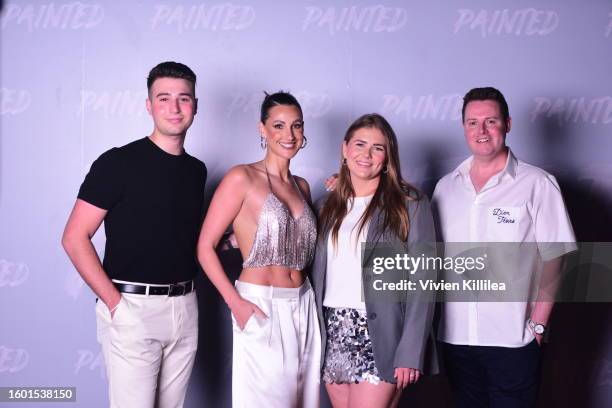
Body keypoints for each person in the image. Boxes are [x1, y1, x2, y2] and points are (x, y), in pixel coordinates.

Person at [62, 62, 206, 408]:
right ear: (148, 105)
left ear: (195, 106)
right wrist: (115, 303)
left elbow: (176, 233)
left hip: (185, 306)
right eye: (163, 98)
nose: (174, 108)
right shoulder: (118, 162)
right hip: (132, 306)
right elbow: (74, 237)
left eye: (183, 99)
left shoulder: (196, 170)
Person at [432, 87, 576, 407]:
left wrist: (537, 324)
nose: (481, 131)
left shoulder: (537, 183)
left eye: (491, 121)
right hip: (456, 339)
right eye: (473, 123)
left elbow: (557, 256)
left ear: (507, 124)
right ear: (464, 127)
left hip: (514, 340)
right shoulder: (445, 187)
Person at [197, 92, 320, 408]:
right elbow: (205, 246)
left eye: (296, 126)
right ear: (262, 130)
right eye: (278, 125)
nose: (288, 135)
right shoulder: (242, 177)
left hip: (304, 305)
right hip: (261, 305)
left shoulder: (302, 186)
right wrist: (234, 301)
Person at [311, 113, 437, 408]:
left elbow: (425, 281)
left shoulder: (410, 204)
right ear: (345, 149)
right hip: (333, 330)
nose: (366, 155)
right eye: (359, 144)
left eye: (377, 148)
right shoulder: (325, 206)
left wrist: (411, 349)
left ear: (388, 156)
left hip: (382, 334)